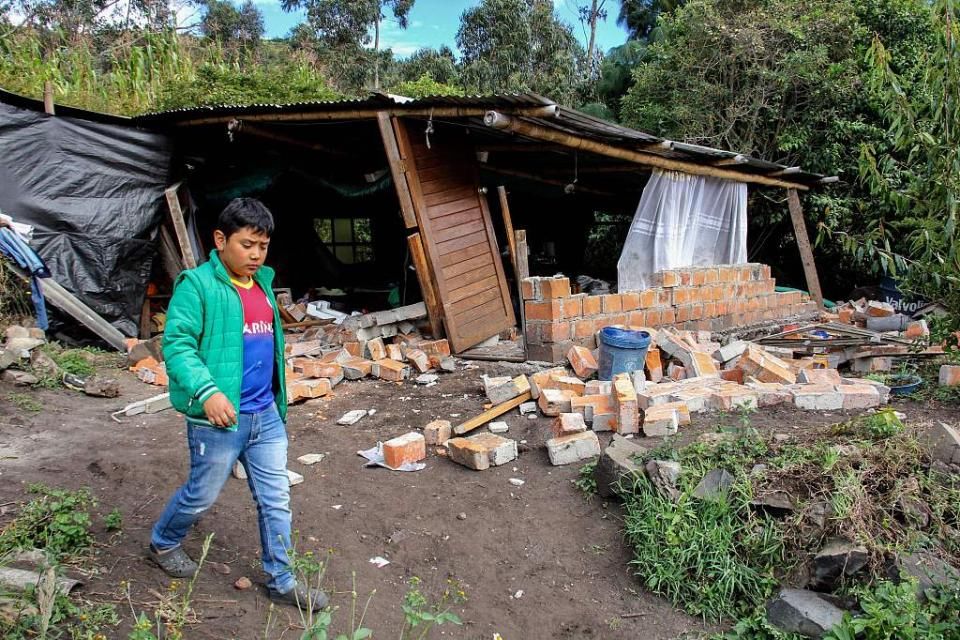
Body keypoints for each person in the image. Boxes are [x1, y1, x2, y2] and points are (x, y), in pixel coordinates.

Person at [148, 198, 326, 611]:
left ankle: (281, 580)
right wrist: (207, 392)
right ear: (220, 239)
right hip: (218, 421)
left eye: (262, 246)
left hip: (265, 415)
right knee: (202, 495)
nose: (255, 254)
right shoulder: (197, 285)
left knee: (276, 497)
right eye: (247, 244)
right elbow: (176, 345)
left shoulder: (263, 284)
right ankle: (163, 542)